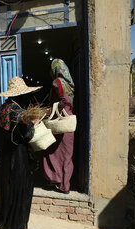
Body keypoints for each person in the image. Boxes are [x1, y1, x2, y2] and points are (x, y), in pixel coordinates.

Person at [0, 76, 42, 229]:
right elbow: (27, 136)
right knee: (21, 190)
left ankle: (6, 218)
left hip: (7, 155)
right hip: (19, 156)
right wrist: (33, 123)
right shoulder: (20, 113)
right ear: (20, 95)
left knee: (8, 188)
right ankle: (15, 226)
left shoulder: (4, 107)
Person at [43, 59, 75, 194]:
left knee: (50, 151)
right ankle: (64, 185)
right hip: (68, 122)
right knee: (66, 155)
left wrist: (50, 111)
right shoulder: (70, 84)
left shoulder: (57, 82)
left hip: (59, 122)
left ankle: (55, 180)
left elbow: (64, 101)